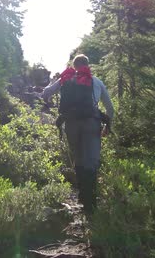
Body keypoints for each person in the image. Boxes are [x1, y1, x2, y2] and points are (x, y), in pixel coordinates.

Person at [41, 54, 114, 214]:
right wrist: (107, 127)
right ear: (88, 65)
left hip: (72, 124)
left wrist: (49, 104)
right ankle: (91, 203)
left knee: (79, 158)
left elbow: (46, 92)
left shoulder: (66, 79)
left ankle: (82, 196)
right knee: (92, 161)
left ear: (74, 66)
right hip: (92, 123)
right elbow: (110, 108)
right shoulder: (96, 81)